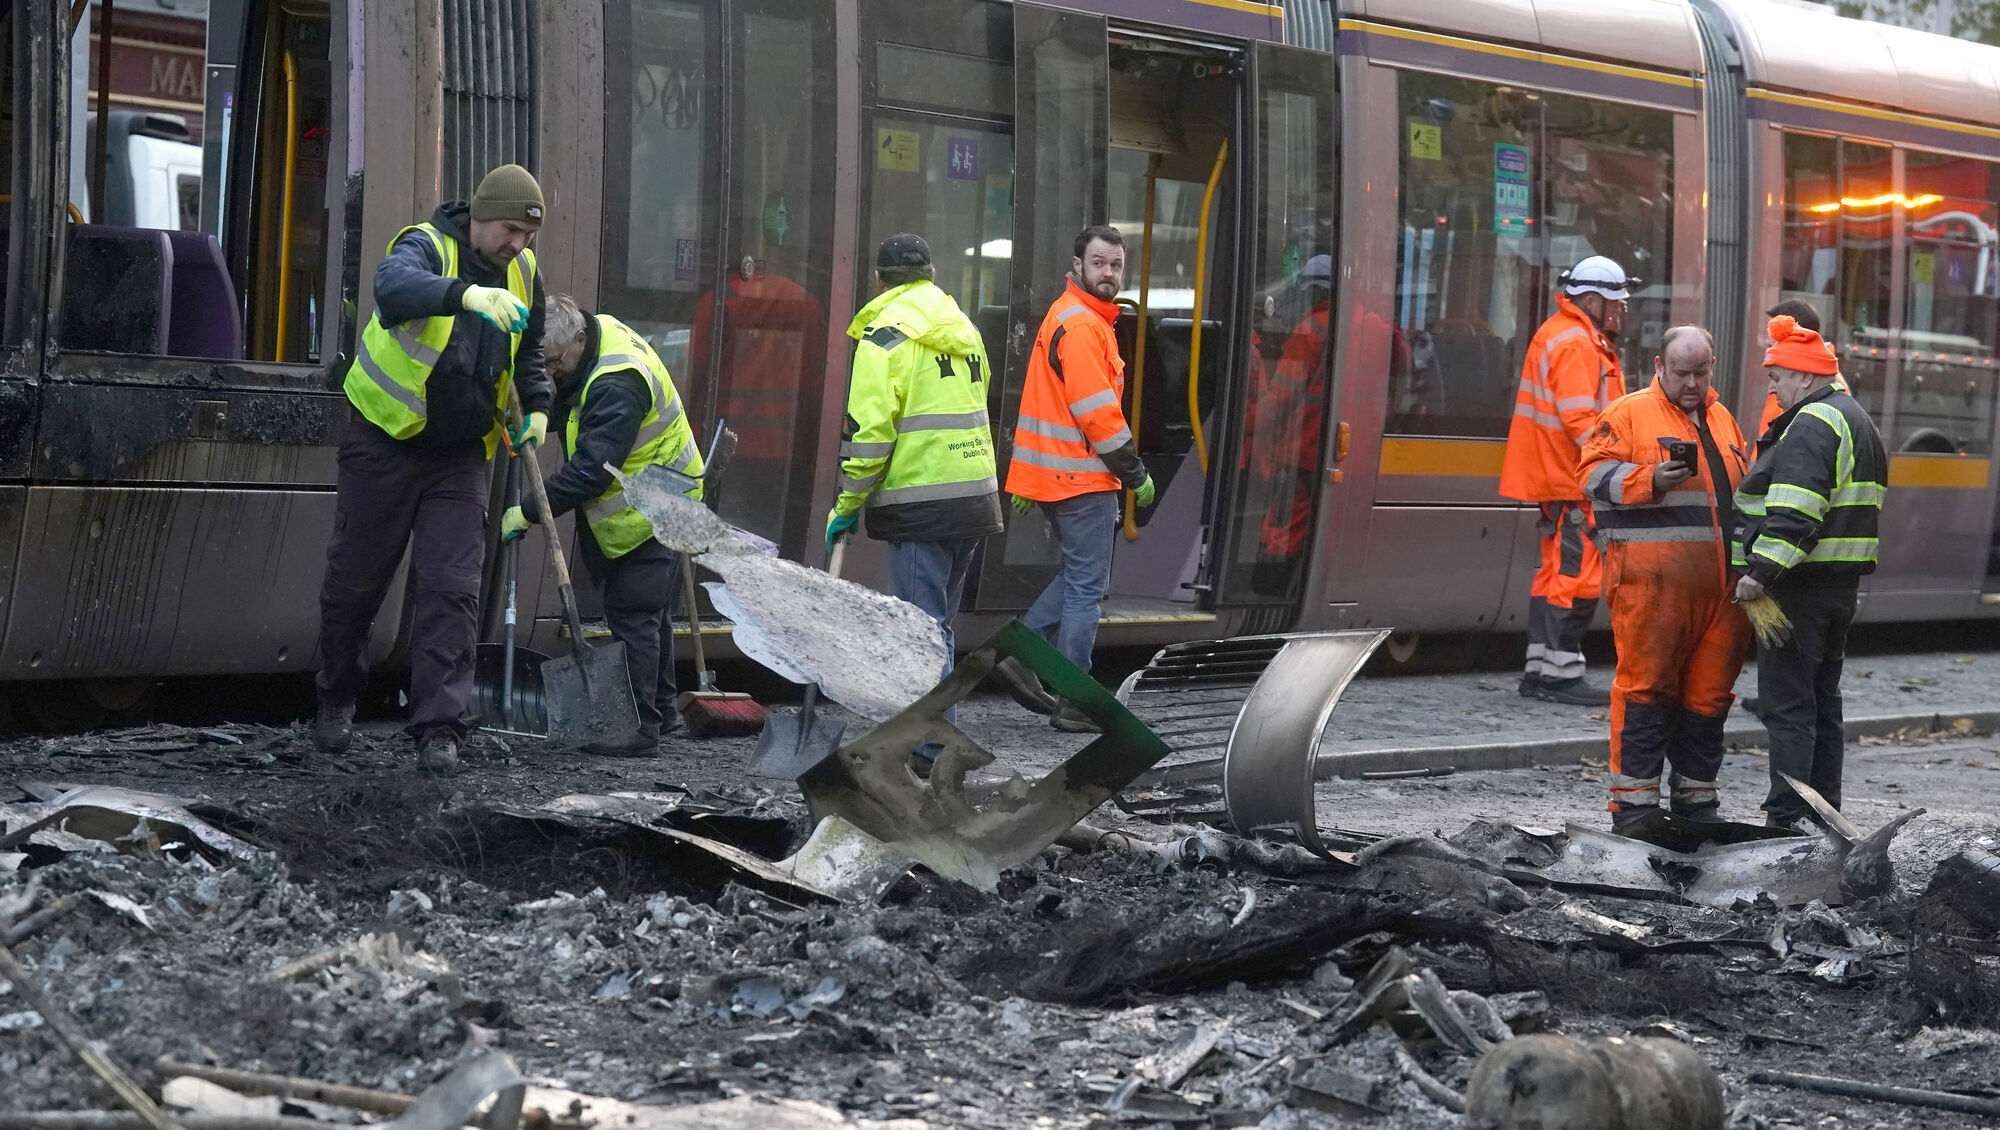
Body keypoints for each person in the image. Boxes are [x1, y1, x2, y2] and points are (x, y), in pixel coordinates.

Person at [313, 164, 553, 774]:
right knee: (355, 584)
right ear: (481, 217)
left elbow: (529, 352)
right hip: (385, 442)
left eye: (527, 235)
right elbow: (392, 290)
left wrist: (539, 408)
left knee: (452, 590)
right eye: (509, 230)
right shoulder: (424, 245)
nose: (518, 244)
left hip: (460, 457)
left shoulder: (525, 273)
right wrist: (466, 295)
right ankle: (337, 696)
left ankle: (440, 729)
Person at [824, 234, 1008, 759]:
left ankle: (930, 748)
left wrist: (846, 506)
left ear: (879, 280)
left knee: (916, 633)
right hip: (974, 497)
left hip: (921, 503)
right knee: (936, 628)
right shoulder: (964, 327)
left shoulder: (885, 336)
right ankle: (936, 742)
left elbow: (870, 436)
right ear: (931, 274)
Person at [503, 294, 704, 756]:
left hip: (656, 504)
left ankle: (640, 730)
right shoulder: (596, 337)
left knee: (634, 613)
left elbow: (592, 472)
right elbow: (574, 397)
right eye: (543, 363)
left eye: (555, 362)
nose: (550, 372)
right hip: (659, 493)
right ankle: (663, 711)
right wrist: (542, 416)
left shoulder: (618, 382)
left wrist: (529, 510)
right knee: (651, 614)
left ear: (578, 338)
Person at [1579, 326, 1752, 835]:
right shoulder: (1628, 414)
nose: (1691, 383)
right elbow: (1589, 477)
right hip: (1650, 590)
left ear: (1712, 367)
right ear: (1659, 367)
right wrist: (1649, 479)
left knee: (1709, 698)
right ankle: (1635, 810)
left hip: (1721, 595)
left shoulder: (1723, 420)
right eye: (1681, 373)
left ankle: (1696, 805)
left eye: (1700, 372)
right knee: (1645, 692)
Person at [1734, 315, 1887, 829]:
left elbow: (1796, 513)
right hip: (1839, 587)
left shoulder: (1812, 423)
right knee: (1823, 704)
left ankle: (1787, 819)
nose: (1771, 387)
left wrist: (1759, 573)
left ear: (1803, 376)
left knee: (1789, 708)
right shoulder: (1855, 417)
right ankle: (1824, 817)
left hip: (1799, 588)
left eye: (1777, 376)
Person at [1004, 225, 1157, 733]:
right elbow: (1098, 415)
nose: (1108, 273)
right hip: (1083, 479)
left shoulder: (1067, 315)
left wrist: (1028, 477)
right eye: (1098, 263)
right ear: (1077, 265)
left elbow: (1043, 404)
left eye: (1115, 265)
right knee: (1086, 590)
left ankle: (1020, 653)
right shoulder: (1086, 326)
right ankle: (1075, 699)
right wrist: (1134, 473)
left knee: (1077, 576)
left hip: (1059, 475)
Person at [1498, 255, 1634, 707]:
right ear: (1592, 300)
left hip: (1555, 475)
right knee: (1576, 575)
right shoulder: (1577, 342)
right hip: (1574, 478)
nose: (1620, 311)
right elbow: (1579, 419)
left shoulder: (1560, 332)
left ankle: (1540, 669)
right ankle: (1559, 674)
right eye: (1615, 302)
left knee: (1553, 572)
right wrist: (1614, 465)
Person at [1755, 300, 1848, 437]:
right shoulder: (1812, 375)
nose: (1767, 341)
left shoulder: (1820, 382)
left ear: (1800, 335)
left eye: (1775, 333)